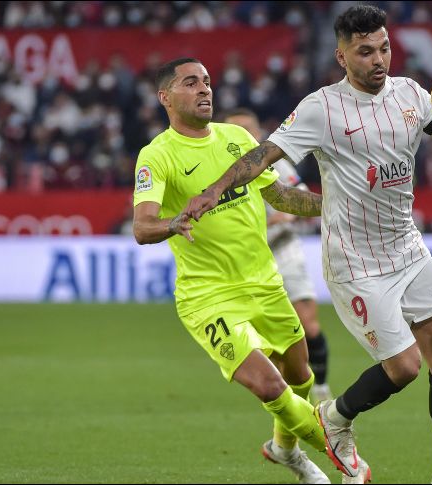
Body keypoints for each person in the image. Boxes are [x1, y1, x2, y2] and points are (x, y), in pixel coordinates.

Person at [181, 6, 432, 484]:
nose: (378, 59)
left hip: (406, 246)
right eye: (365, 51)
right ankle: (334, 417)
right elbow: (264, 156)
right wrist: (214, 190)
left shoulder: (411, 95)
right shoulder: (321, 108)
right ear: (342, 56)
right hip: (354, 259)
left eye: (384, 47)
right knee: (404, 366)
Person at [131, 57, 331, 484]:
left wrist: (337, 205)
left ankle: (286, 451)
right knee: (270, 387)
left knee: (300, 376)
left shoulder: (237, 137)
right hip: (209, 296)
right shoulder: (157, 155)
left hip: (265, 283)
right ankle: (342, 448)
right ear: (165, 97)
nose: (205, 89)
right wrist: (172, 224)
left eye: (206, 81)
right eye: (191, 83)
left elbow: (280, 197)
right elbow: (142, 227)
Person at [220, 107, 333, 403]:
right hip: (246, 261)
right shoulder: (217, 168)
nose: (244, 135)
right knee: (269, 340)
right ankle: (289, 396)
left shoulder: (277, 166)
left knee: (307, 324)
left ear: (258, 132)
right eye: (236, 130)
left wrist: (289, 218)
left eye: (248, 129)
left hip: (284, 250)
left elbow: (299, 199)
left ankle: (320, 386)